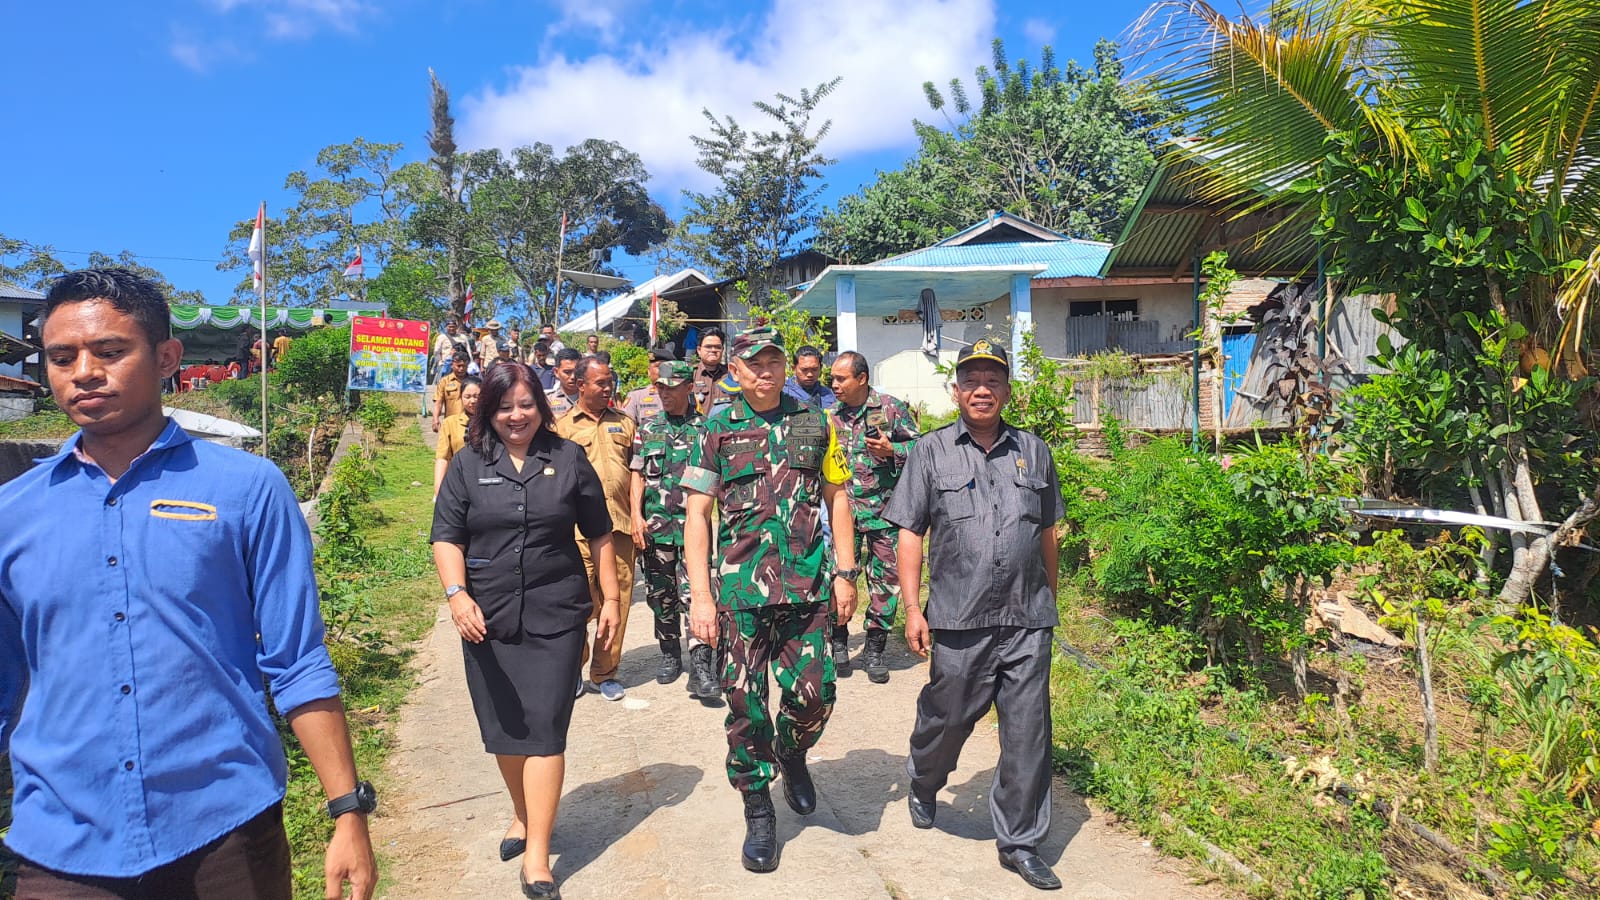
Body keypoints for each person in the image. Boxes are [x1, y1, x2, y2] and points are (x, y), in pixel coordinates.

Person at [0, 268, 376, 900]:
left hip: (223, 833)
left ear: (167, 357)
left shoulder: (247, 489)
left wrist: (348, 810)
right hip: (62, 844)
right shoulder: (13, 512)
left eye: (110, 351)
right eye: (62, 357)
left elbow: (298, 661)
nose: (84, 371)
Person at [431, 362, 620, 900]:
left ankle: (538, 855)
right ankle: (522, 812)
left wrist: (607, 599)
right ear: (487, 411)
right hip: (485, 618)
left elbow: (600, 532)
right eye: (505, 407)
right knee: (504, 729)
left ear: (542, 405)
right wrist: (456, 594)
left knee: (544, 728)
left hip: (556, 613)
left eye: (526, 405)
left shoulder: (567, 458)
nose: (516, 416)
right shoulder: (468, 465)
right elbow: (446, 537)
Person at [881, 339, 1064, 892]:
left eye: (993, 380)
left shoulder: (1035, 451)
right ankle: (924, 776)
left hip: (1027, 618)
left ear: (1008, 389)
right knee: (948, 716)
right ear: (955, 390)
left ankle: (1020, 841)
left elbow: (1048, 532)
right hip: (959, 617)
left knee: (1029, 733)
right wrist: (913, 608)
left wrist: (1049, 599)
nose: (982, 389)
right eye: (971, 380)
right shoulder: (930, 452)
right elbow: (910, 531)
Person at [682, 326, 859, 873]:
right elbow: (696, 516)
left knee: (815, 695)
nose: (765, 371)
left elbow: (839, 499)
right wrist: (702, 599)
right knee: (745, 704)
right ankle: (758, 807)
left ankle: (793, 752)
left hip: (806, 588)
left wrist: (847, 573)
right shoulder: (714, 426)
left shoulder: (816, 422)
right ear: (733, 371)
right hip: (739, 593)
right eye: (753, 363)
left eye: (774, 361)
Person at [827, 350, 920, 683]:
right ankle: (838, 643)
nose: (834, 384)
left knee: (886, 582)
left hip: (883, 510)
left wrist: (892, 450)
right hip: (842, 516)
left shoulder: (890, 409)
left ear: (861, 379)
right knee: (838, 576)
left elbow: (921, 451)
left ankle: (875, 648)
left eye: (841, 378)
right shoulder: (828, 416)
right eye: (833, 378)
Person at [629, 361, 718, 699]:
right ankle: (669, 654)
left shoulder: (706, 429)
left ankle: (701, 666)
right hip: (655, 529)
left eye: (671, 387)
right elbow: (636, 474)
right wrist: (636, 517)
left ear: (689, 388)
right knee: (660, 596)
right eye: (660, 388)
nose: (664, 393)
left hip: (694, 533)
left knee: (696, 595)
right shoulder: (648, 428)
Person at [554, 357, 638, 701]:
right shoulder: (562, 429)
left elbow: (637, 473)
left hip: (619, 526)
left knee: (616, 601)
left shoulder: (626, 424)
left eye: (610, 382)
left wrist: (639, 517)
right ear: (580, 385)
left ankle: (604, 673)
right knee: (574, 603)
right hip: (575, 533)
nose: (608, 388)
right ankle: (573, 667)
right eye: (600, 383)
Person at [433, 376, 481, 496]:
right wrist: (438, 491)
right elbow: (443, 458)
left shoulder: (493, 422)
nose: (472, 401)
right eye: (467, 397)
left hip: (484, 484)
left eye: (477, 396)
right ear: (460, 397)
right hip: (458, 482)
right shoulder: (450, 423)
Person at [621, 347, 673, 422]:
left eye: (665, 366)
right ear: (649, 371)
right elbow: (626, 426)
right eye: (658, 366)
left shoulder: (682, 394)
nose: (662, 370)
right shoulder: (636, 397)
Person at [783, 345, 837, 410]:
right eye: (804, 370)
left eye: (814, 369)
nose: (810, 374)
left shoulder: (828, 394)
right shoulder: (783, 394)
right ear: (793, 368)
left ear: (821, 368)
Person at [691, 326, 728, 413]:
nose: (713, 350)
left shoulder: (731, 375)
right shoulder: (691, 374)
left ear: (722, 350)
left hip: (726, 425)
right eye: (708, 347)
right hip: (697, 425)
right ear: (699, 350)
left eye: (718, 347)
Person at [433, 351, 470, 433]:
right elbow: (438, 402)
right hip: (451, 425)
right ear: (452, 365)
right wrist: (435, 419)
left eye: (464, 366)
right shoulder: (444, 382)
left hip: (469, 425)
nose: (461, 369)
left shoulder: (473, 382)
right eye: (458, 366)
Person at [546, 347, 582, 417]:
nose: (573, 377)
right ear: (556, 372)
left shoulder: (591, 399)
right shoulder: (548, 401)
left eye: (577, 371)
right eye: (567, 372)